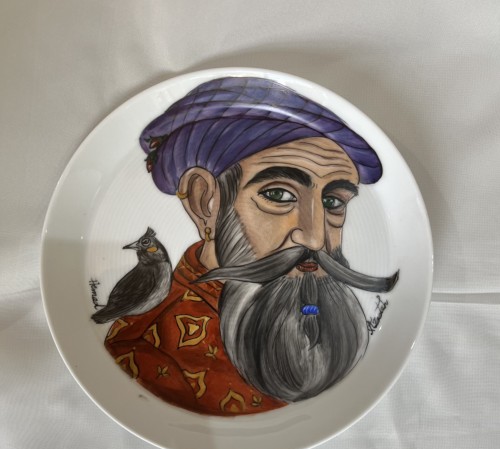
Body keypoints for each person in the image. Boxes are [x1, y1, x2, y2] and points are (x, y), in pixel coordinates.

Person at [103, 77, 398, 416]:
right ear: (204, 202)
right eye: (279, 195)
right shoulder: (147, 356)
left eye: (333, 202)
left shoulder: (312, 306)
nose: (315, 238)